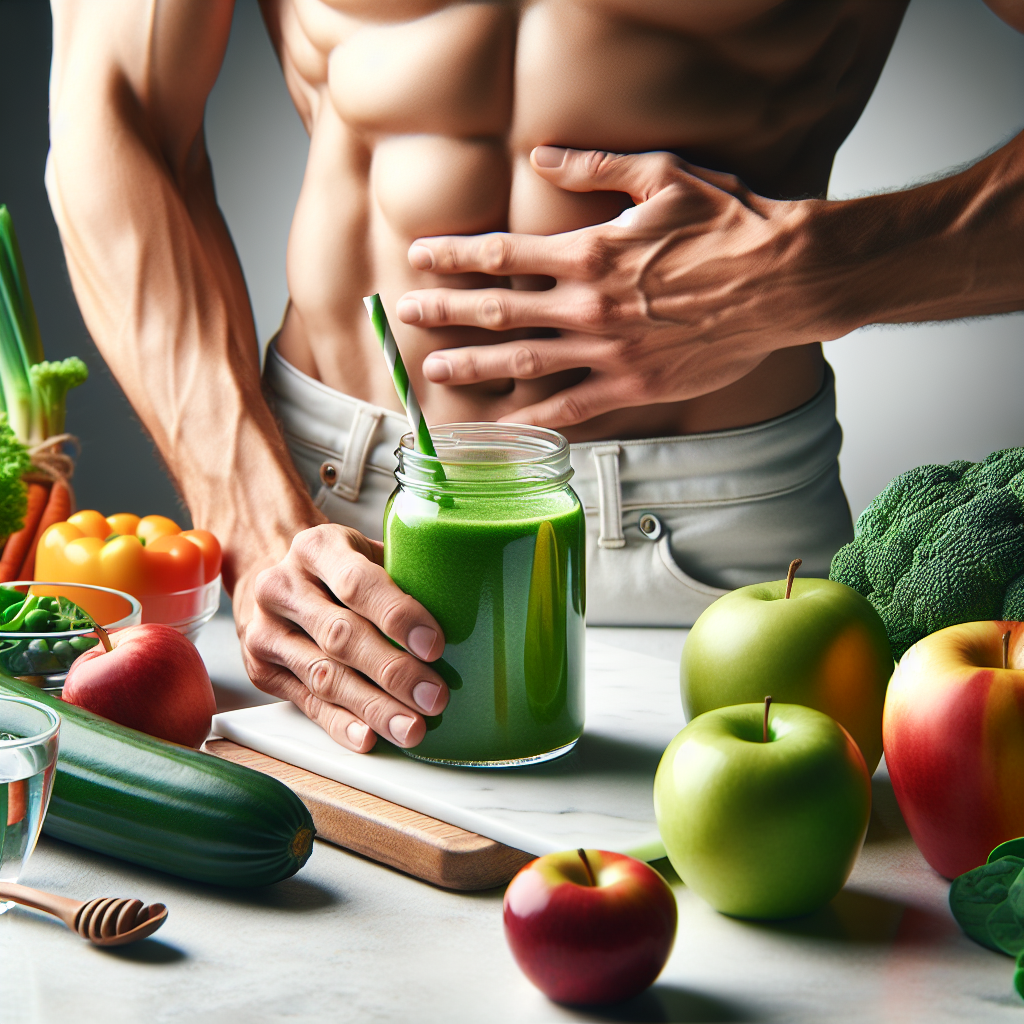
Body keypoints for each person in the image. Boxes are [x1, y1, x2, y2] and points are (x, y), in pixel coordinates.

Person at [46, 0, 1023, 754]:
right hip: (322, 531)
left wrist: (807, 271)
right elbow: (115, 108)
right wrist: (258, 528)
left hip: (717, 548)